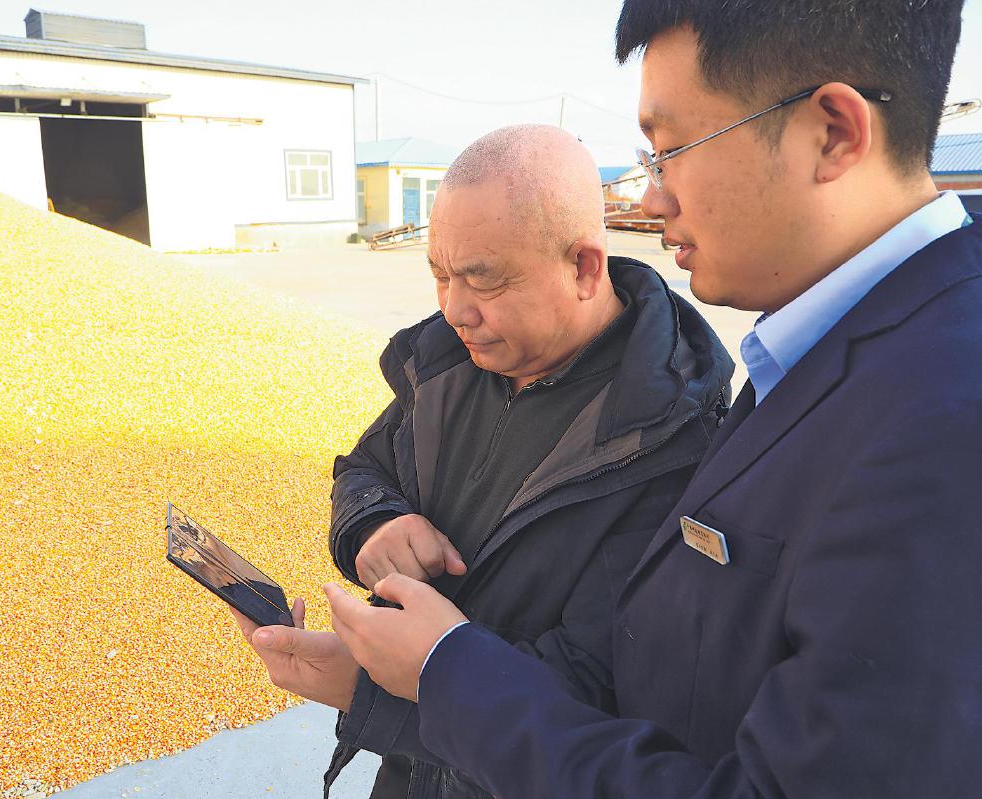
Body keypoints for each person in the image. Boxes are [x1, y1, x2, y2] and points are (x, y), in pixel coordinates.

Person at [311, 1, 982, 796]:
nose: (653, 199)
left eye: (672, 152)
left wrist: (445, 670)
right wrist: (378, 600)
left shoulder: (940, 426)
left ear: (832, 133)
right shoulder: (830, 354)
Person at [238, 123, 733, 799]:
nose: (454, 309)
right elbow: (363, 469)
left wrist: (380, 688)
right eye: (440, 275)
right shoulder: (448, 363)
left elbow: (596, 690)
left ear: (584, 268)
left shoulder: (669, 442)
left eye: (482, 279)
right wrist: (375, 526)